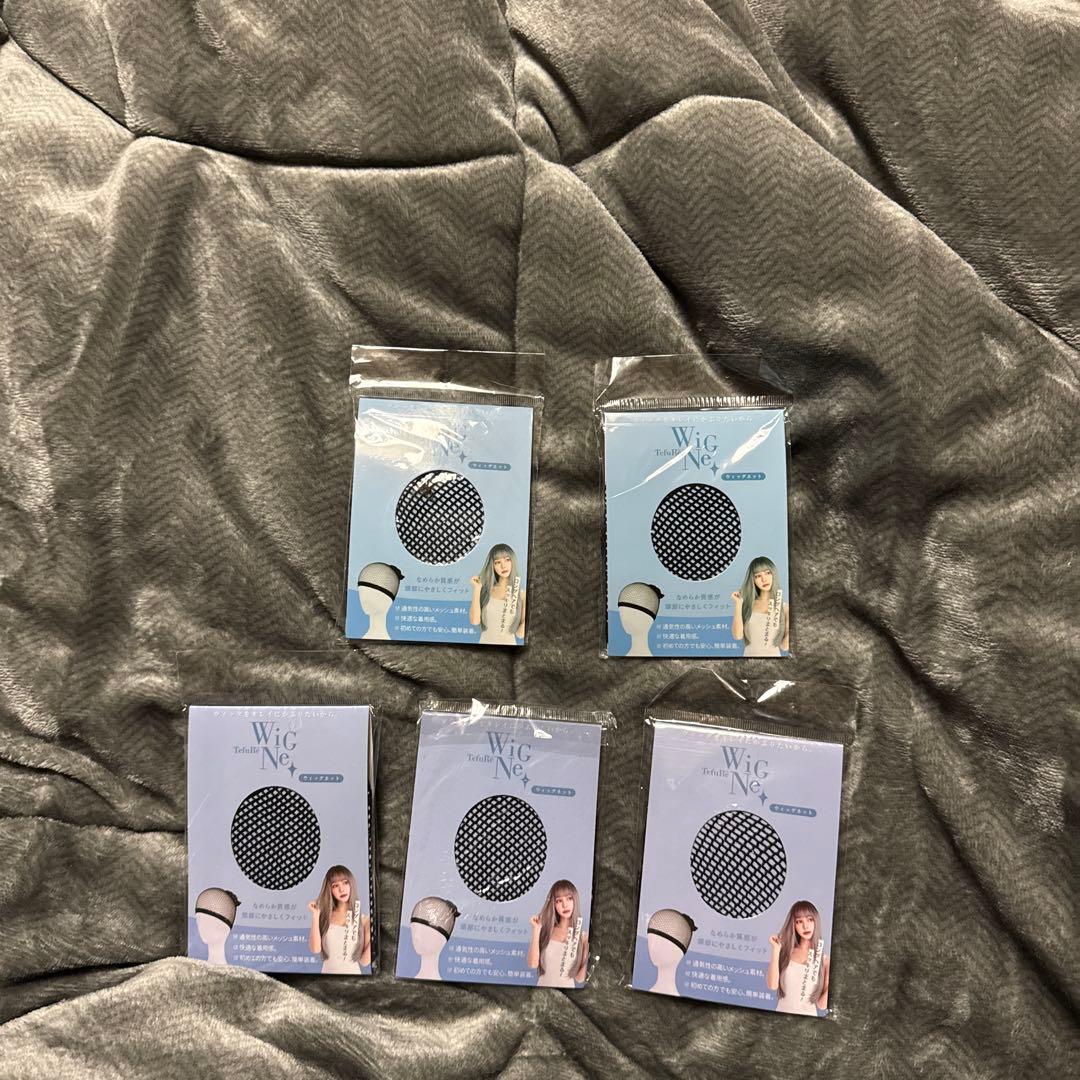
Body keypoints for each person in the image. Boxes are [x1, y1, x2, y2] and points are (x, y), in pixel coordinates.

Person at [765, 900, 830, 1015]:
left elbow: (822, 1005)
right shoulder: (785, 952)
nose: (806, 926)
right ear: (793, 925)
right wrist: (776, 949)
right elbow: (772, 985)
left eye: (810, 919)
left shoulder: (824, 960)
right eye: (799, 921)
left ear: (816, 921)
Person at [308, 865, 370, 974]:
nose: (341, 889)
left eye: (345, 883)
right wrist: (315, 915)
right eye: (335, 885)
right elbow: (315, 949)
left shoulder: (364, 921)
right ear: (330, 890)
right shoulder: (324, 917)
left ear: (351, 884)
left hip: (353, 976)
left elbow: (364, 961)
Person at [527, 880, 588, 987]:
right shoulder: (546, 931)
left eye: (569, 898)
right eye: (559, 901)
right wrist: (536, 930)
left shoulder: (582, 937)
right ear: (553, 905)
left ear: (575, 900)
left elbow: (580, 978)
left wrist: (588, 950)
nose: (565, 905)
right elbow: (532, 964)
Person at [730, 556, 789, 656]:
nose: (764, 579)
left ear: (774, 574)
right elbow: (737, 636)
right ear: (753, 580)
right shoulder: (746, 605)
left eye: (767, 573)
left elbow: (784, 646)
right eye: (758, 576)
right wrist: (738, 604)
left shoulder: (785, 608)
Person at [469, 544, 526, 645]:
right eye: (498, 562)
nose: (503, 566)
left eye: (507, 560)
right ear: (492, 566)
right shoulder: (485, 591)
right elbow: (474, 621)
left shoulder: (521, 594)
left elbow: (520, 634)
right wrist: (477, 589)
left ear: (513, 561)